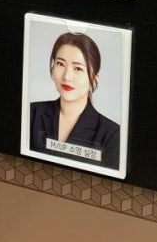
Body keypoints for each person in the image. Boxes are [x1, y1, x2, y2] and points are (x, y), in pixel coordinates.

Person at [30, 32, 119, 170]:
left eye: (78, 68)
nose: (67, 76)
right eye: (60, 64)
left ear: (94, 79)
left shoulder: (112, 134)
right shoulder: (31, 113)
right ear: (52, 70)